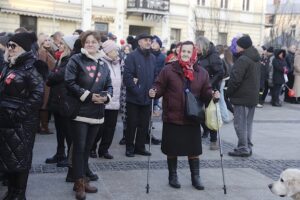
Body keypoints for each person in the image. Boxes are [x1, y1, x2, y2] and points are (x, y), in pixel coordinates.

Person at [149, 41, 219, 190]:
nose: (186, 54)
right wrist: (154, 91)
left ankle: (195, 177)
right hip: (172, 116)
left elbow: (206, 92)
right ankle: (172, 176)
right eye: (183, 51)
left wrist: (213, 96)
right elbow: (159, 85)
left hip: (192, 117)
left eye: (189, 51)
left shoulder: (202, 73)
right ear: (179, 52)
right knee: (172, 149)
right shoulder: (168, 70)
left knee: (193, 150)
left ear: (194, 53)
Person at [65, 30, 113, 200]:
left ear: (99, 44)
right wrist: (88, 95)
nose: (90, 44)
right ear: (83, 44)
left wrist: (106, 97)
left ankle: (84, 180)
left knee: (87, 149)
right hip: (80, 112)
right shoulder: (75, 60)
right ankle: (78, 183)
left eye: (94, 41)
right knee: (79, 148)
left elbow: (109, 85)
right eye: (87, 42)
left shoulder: (104, 63)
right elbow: (69, 82)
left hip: (97, 113)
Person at [0, 32, 44, 200]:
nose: (9, 49)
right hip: (7, 121)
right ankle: (11, 192)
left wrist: (19, 115)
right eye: (9, 45)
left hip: (21, 123)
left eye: (13, 46)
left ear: (23, 49)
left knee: (21, 159)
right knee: (9, 159)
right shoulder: (10, 65)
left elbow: (38, 95)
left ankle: (19, 194)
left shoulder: (31, 66)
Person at [46, 35, 78, 167]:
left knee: (68, 132)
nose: (59, 45)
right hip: (58, 100)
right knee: (60, 131)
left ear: (68, 47)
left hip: (66, 101)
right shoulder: (61, 58)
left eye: (62, 44)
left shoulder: (71, 60)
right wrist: (51, 76)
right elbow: (51, 79)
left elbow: (57, 76)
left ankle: (70, 158)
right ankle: (60, 154)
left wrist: (48, 74)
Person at [226, 35, 261, 157]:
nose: (236, 47)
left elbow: (235, 79)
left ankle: (242, 148)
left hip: (242, 97)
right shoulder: (255, 58)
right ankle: (247, 146)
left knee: (240, 123)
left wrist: (227, 93)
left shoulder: (243, 60)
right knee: (247, 124)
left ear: (243, 47)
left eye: (238, 45)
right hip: (251, 97)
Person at [123, 33, 155, 157]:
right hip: (134, 98)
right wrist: (137, 91)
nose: (148, 42)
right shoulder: (131, 57)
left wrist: (153, 89)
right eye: (146, 40)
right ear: (139, 42)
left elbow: (155, 75)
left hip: (147, 98)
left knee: (144, 125)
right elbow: (127, 77)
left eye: (150, 40)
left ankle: (140, 147)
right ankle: (129, 147)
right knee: (131, 124)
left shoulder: (152, 57)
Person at [90, 39, 121, 159]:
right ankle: (92, 148)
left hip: (115, 101)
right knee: (99, 128)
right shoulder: (100, 62)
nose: (117, 53)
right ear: (108, 52)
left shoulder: (118, 63)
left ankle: (104, 150)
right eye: (115, 51)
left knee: (110, 129)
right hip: (103, 100)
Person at [195, 36, 224, 150]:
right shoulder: (199, 55)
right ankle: (205, 129)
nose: (195, 47)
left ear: (203, 46)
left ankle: (213, 140)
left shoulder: (213, 56)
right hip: (199, 88)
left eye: (197, 46)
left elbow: (220, 72)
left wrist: (209, 83)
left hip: (210, 88)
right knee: (197, 111)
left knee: (211, 113)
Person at [37, 33, 56, 135]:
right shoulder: (43, 52)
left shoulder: (47, 51)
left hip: (47, 80)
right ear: (41, 42)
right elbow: (42, 68)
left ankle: (42, 127)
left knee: (44, 103)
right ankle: (44, 127)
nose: (48, 42)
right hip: (45, 81)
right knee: (44, 104)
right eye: (45, 40)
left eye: (49, 40)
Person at [119, 44, 132, 145]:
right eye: (125, 49)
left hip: (130, 90)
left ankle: (129, 136)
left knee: (130, 115)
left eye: (128, 49)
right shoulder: (120, 60)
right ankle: (124, 135)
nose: (127, 51)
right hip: (122, 91)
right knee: (124, 115)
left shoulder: (132, 60)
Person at [151, 35, 166, 119]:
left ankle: (155, 107)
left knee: (154, 99)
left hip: (156, 80)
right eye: (152, 42)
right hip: (147, 80)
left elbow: (163, 70)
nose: (153, 44)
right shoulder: (148, 54)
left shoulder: (162, 57)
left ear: (159, 45)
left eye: (156, 43)